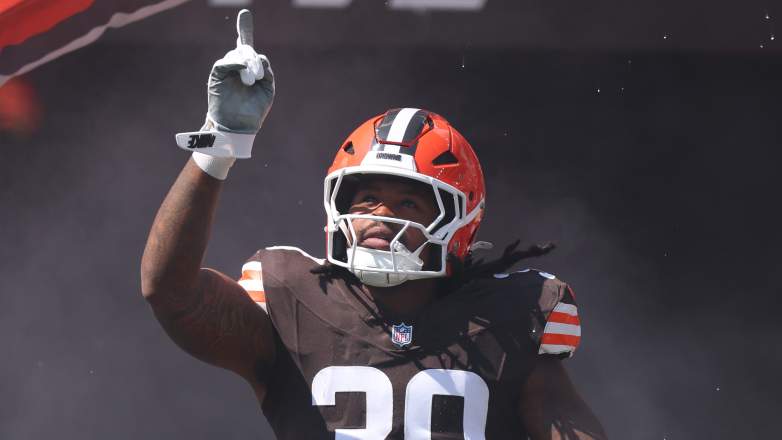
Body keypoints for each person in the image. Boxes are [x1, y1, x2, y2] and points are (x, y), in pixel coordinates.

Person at [141, 9, 607, 440]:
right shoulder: (293, 297)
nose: (380, 215)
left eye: (408, 203)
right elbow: (169, 292)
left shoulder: (509, 319)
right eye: (367, 197)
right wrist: (219, 145)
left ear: (461, 220)